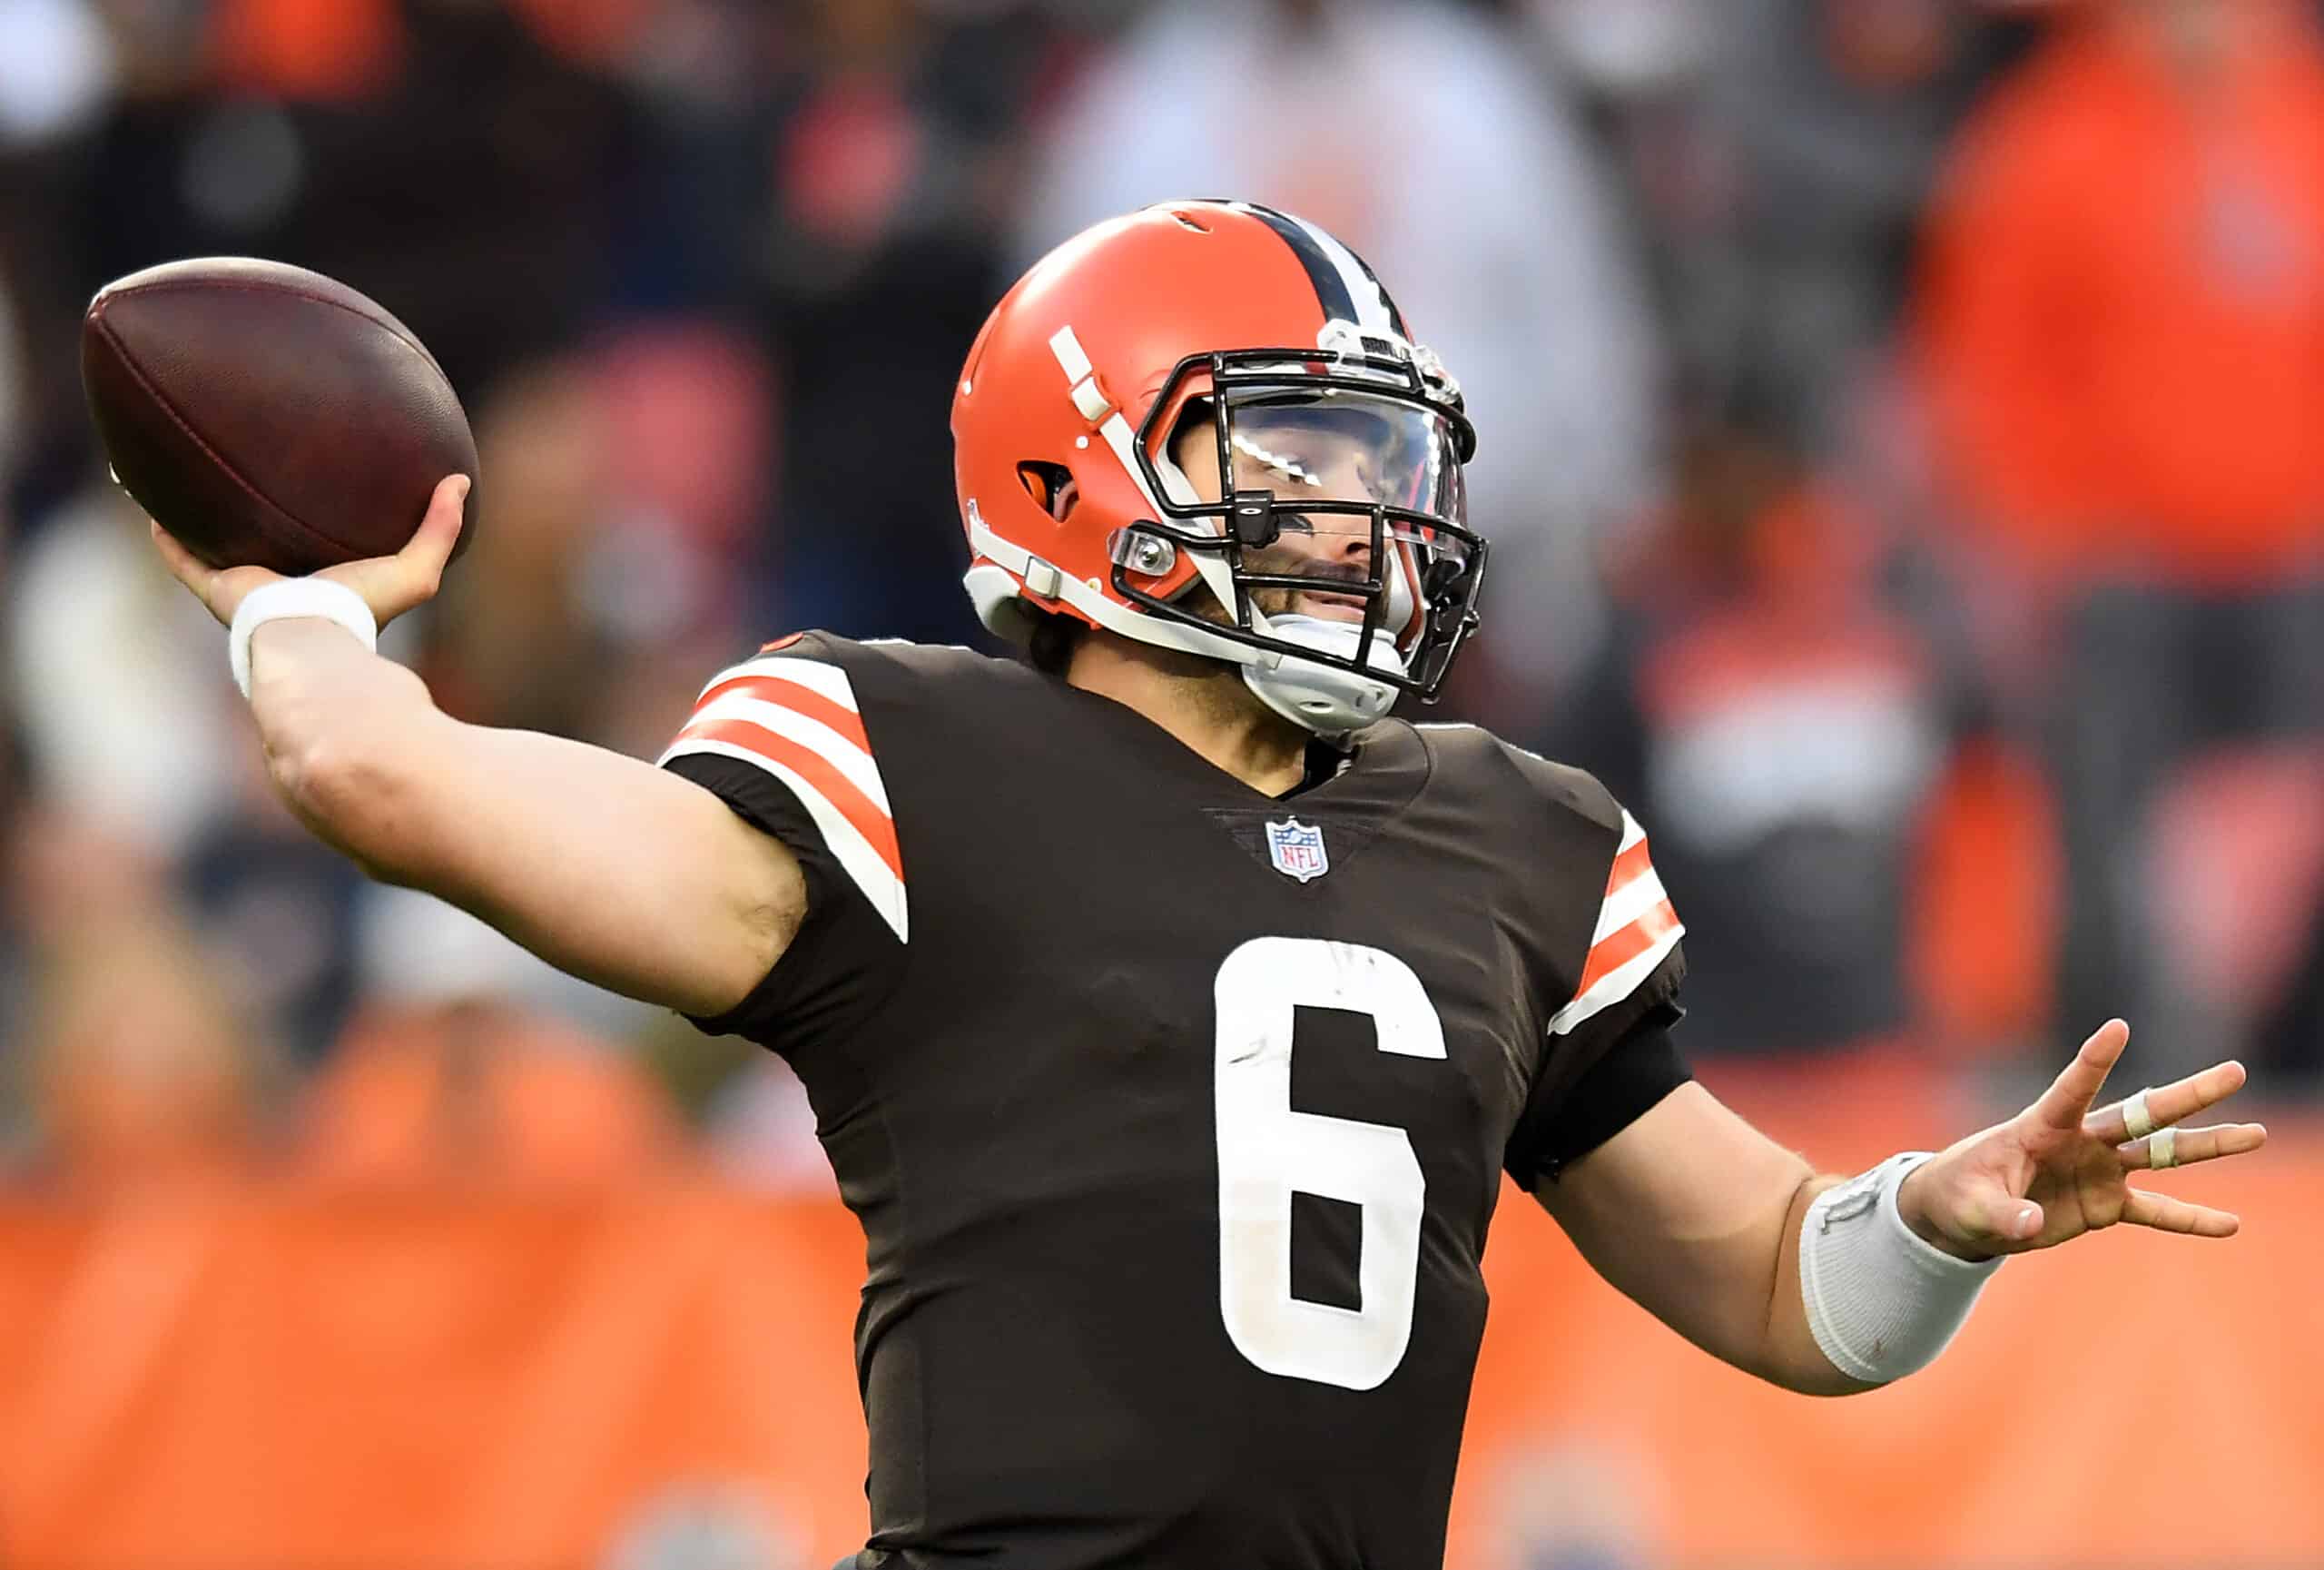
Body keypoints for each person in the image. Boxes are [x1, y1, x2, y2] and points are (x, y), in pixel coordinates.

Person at [148, 202, 2262, 1570]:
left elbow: (1788, 1292)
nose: (1370, 516)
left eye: (1380, 464)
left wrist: (1935, 1213)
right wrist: (304, 613)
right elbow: (381, 774)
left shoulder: (1509, 834)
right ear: (1082, 476)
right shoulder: (909, 762)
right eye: (1301, 458)